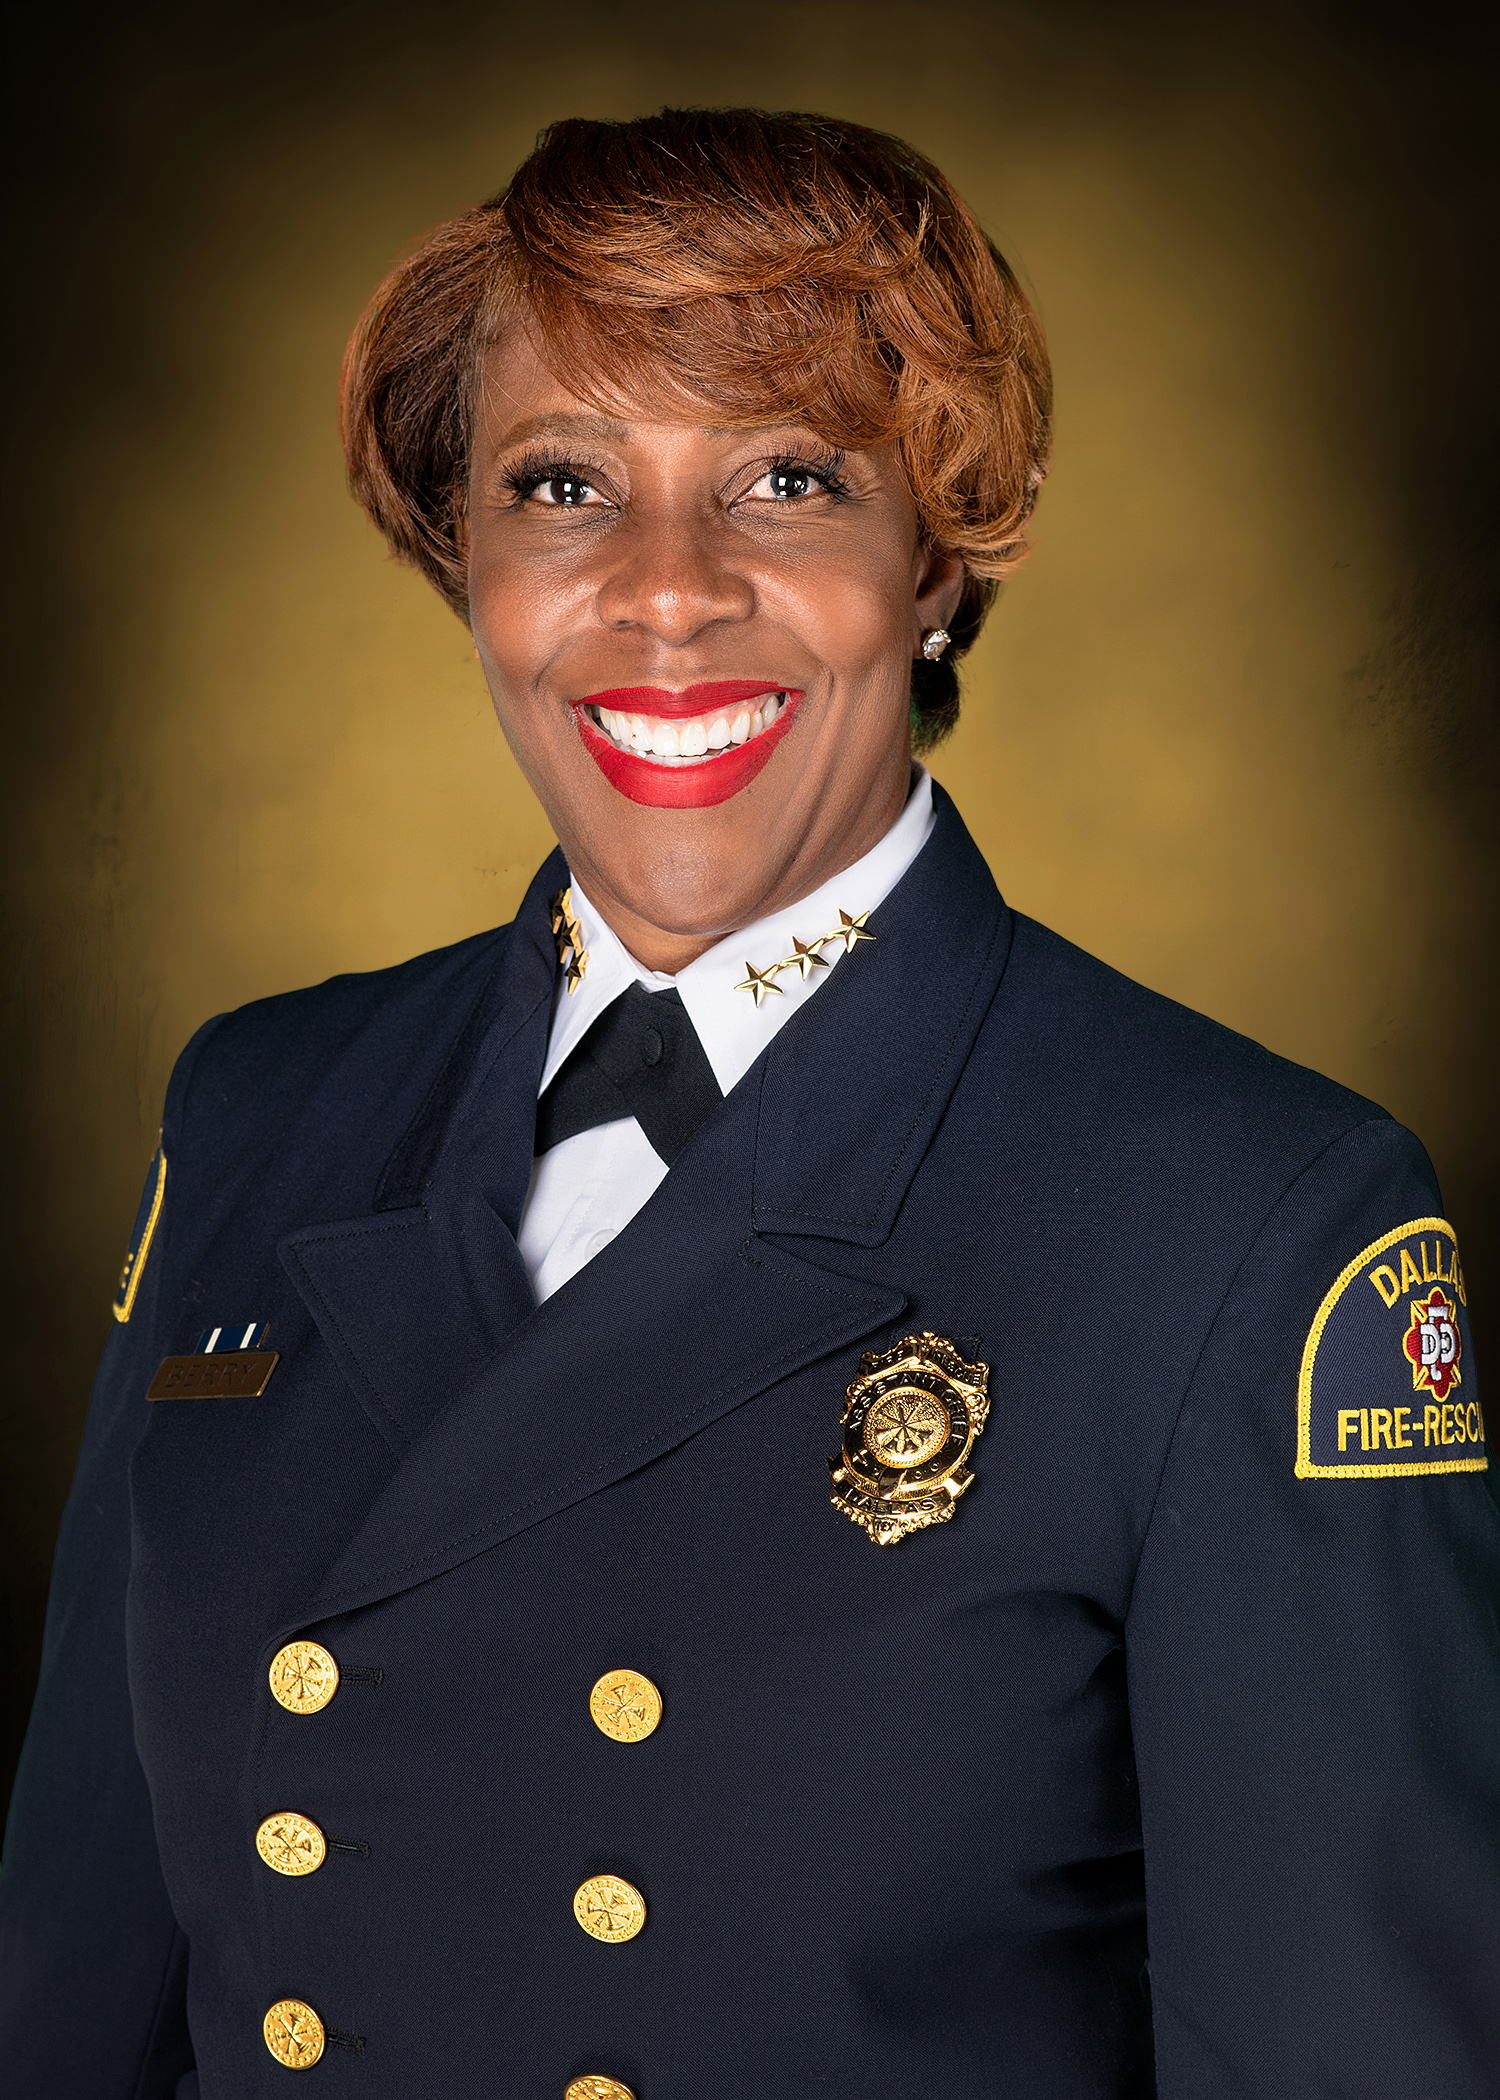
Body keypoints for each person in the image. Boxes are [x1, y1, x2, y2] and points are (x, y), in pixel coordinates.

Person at [2, 106, 1495, 2100]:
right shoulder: (258, 1109)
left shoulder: (1251, 1220)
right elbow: (74, 1997)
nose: (665, 592)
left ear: (935, 560)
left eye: (788, 479)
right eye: (563, 487)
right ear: (468, 561)